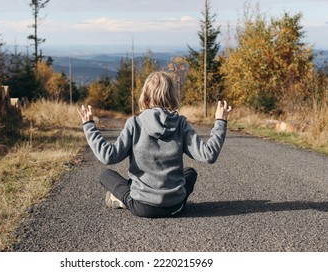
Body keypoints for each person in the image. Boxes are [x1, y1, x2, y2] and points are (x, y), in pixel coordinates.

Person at [77, 71, 231, 218]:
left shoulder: (135, 123)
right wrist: (220, 121)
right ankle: (163, 197)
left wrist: (89, 125)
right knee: (190, 172)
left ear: (144, 99)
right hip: (177, 207)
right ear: (172, 98)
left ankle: (124, 199)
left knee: (106, 175)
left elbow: (108, 156)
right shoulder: (180, 124)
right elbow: (209, 155)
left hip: (143, 207)